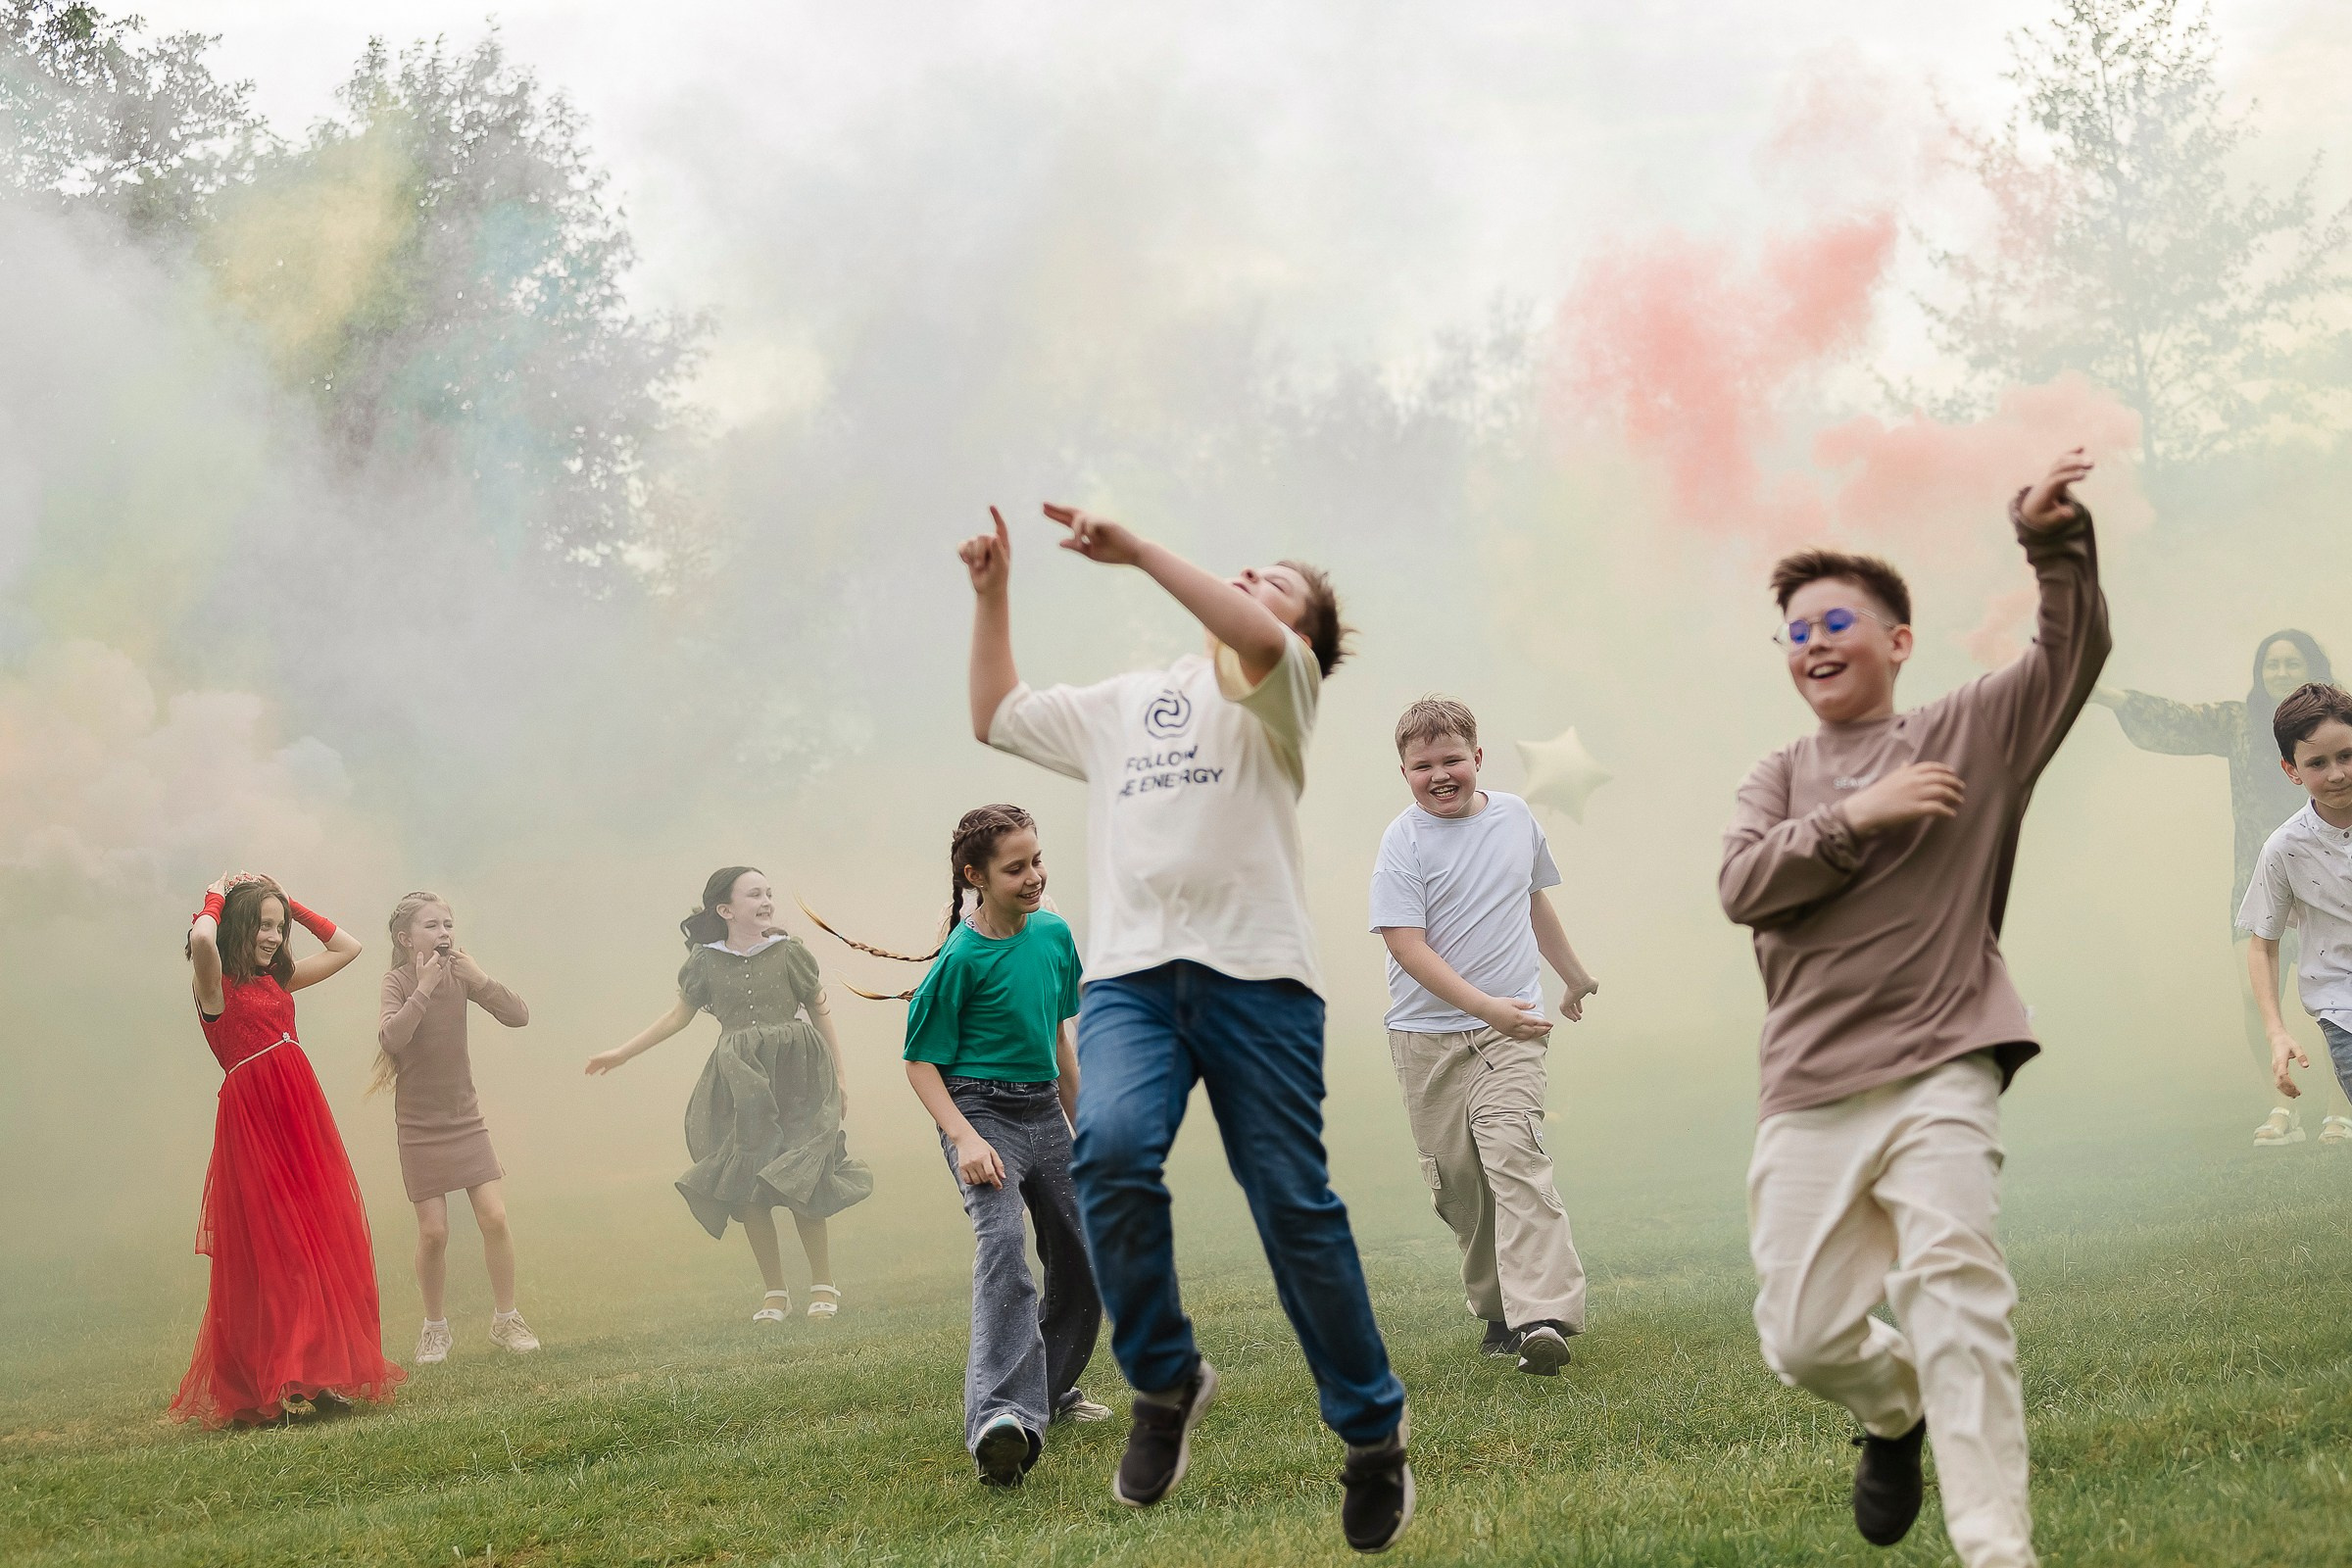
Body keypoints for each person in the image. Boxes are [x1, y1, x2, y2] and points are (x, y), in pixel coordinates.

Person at [957, 504, 1412, 1552]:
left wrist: (1143, 552)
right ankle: (1164, 1380)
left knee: (1294, 1208)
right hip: (1131, 984)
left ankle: (1372, 1434)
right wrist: (992, 594)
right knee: (1110, 1151)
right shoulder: (1125, 704)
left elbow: (1256, 636)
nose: (1256, 580)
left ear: (1308, 639)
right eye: (1250, 570)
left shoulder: (1280, 688)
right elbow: (996, 713)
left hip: (1260, 981)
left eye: (1281, 583)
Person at [1719, 450, 2108, 1568]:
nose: (1815, 644)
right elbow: (1743, 884)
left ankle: (1996, 1547)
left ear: (1896, 640)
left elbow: (2070, 655)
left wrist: (2052, 541)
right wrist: (1867, 815)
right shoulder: (1777, 775)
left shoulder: (1972, 733)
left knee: (1955, 1290)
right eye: (1796, 631)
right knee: (1799, 1337)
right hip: (1809, 1084)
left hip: (1944, 1058)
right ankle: (1896, 1413)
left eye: (1837, 622)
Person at [1369, 697, 1597, 1376]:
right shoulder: (1402, 842)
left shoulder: (1515, 818)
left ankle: (1542, 1318)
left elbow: (1530, 900)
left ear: (1478, 758)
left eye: (1452, 760)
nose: (1440, 775)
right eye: (1422, 766)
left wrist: (1574, 976)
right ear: (1404, 770)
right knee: (1461, 1188)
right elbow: (1407, 947)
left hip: (1513, 1029)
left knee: (1513, 1155)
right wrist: (1482, 1007)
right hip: (1425, 1038)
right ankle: (1499, 1312)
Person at [901, 805, 1109, 1487]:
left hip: (1043, 1108)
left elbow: (1057, 1043)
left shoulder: (1051, 936)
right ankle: (999, 1420)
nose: (1034, 877)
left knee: (1083, 1255)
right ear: (976, 877)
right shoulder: (960, 958)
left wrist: (1090, 1131)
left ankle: (1044, 1394)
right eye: (1015, 868)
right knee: (1003, 1252)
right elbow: (920, 1063)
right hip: (978, 1109)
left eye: (1037, 861)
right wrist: (964, 1138)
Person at [2091, 630, 2347, 1144]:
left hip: (2333, 877)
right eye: (2269, 664)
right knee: (2255, 997)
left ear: (2312, 668)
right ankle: (2283, 1105)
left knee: (2340, 995)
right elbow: (2179, 721)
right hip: (2260, 875)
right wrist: (2105, 694)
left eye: (2290, 662)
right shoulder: (2237, 722)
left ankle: (2341, 1110)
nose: (2279, 672)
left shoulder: (2343, 729)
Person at [586, 867, 871, 1322]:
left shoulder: (789, 953)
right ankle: (774, 1293)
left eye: (769, 893)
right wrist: (622, 1053)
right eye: (754, 894)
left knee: (802, 1174)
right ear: (725, 910)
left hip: (798, 1074)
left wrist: (839, 1075)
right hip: (740, 1082)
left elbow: (820, 1008)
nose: (766, 901)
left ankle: (823, 1285)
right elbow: (677, 1016)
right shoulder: (705, 962)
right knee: (746, 1181)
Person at [171, 873, 405, 1428]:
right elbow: (203, 940)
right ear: (237, 927)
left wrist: (287, 901)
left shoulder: (279, 982)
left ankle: (314, 1377)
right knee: (279, 1252)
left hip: (301, 1120)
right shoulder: (215, 985)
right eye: (262, 925)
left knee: (320, 1241)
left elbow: (349, 947)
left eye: (279, 927)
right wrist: (216, 896)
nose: (274, 936)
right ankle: (278, 1383)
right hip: (255, 1128)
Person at [373, 891, 538, 1365]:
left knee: (495, 1217)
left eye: (448, 924)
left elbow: (519, 1016)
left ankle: (506, 1319)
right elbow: (391, 1039)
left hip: (466, 1118)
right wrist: (422, 988)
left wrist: (481, 980)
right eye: (432, 926)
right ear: (406, 938)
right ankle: (435, 1329)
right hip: (419, 1126)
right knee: (434, 1234)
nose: (445, 933)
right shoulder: (398, 981)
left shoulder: (462, 975)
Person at [2241, 683, 2352, 1122]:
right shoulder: (2284, 848)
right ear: (2291, 770)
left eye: (2347, 755)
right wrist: (2275, 1031)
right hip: (2343, 1008)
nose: (2338, 773)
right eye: (2317, 763)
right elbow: (2262, 944)